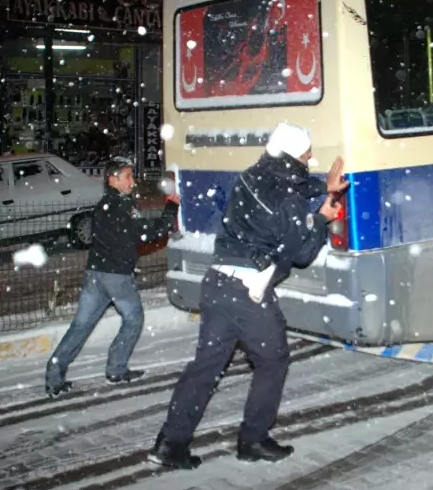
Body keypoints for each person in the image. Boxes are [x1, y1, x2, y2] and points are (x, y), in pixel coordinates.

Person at [148, 122, 347, 469]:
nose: (311, 155)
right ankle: (253, 439)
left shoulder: (251, 175)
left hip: (217, 283)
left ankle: (169, 445)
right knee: (273, 361)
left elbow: (288, 188)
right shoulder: (285, 197)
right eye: (306, 151)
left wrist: (321, 186)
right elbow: (300, 252)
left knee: (205, 367)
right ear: (294, 154)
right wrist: (321, 219)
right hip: (248, 290)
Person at [45, 158, 180, 397]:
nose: (132, 181)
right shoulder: (122, 206)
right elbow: (146, 232)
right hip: (116, 276)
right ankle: (116, 369)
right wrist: (170, 210)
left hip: (94, 274)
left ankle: (54, 377)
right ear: (113, 179)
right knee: (134, 318)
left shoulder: (103, 205)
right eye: (127, 176)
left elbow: (120, 235)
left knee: (81, 325)